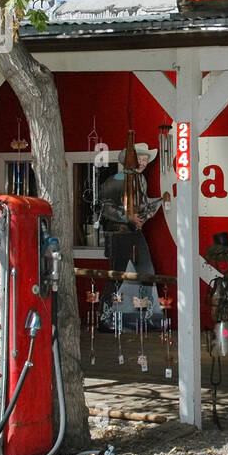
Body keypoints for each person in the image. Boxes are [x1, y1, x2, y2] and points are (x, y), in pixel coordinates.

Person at [97, 142, 166, 331]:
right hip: (118, 234)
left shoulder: (141, 180)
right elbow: (104, 207)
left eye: (145, 159)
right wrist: (128, 217)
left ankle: (149, 316)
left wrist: (157, 204)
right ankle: (105, 316)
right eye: (140, 159)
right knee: (117, 275)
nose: (143, 162)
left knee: (147, 271)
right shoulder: (115, 180)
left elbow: (141, 206)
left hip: (134, 232)